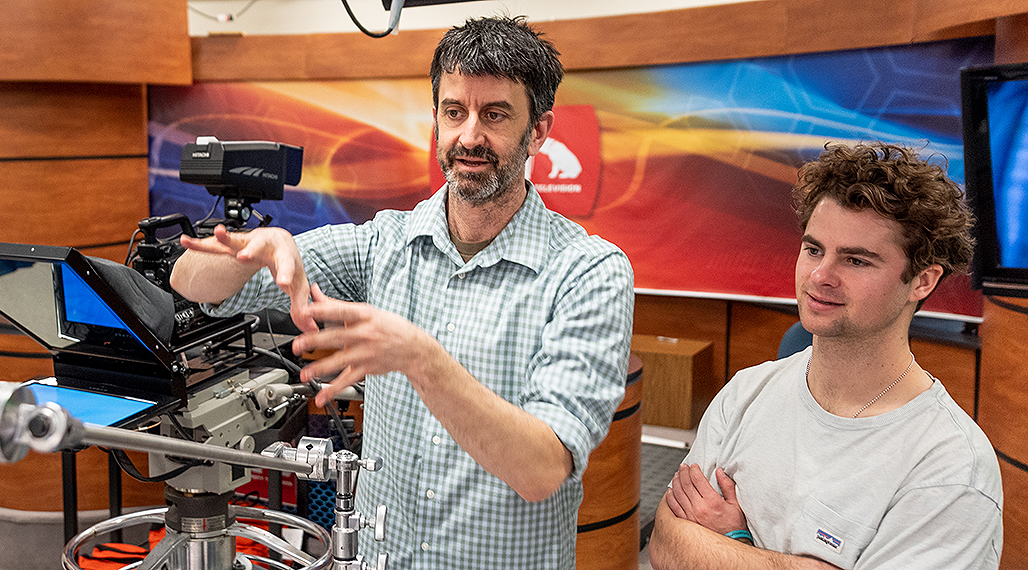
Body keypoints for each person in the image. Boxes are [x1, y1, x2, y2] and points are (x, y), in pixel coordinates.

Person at [170, 15, 635, 570]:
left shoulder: (589, 272)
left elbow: (541, 469)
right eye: (454, 112)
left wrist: (421, 358)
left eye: (495, 115)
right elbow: (188, 282)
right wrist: (260, 247)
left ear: (538, 131)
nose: (469, 136)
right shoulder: (383, 243)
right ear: (436, 121)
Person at [649, 142, 1003, 570]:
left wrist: (730, 539)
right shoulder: (746, 393)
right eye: (814, 249)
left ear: (922, 281)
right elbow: (666, 544)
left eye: (855, 260)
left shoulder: (950, 465)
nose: (820, 276)